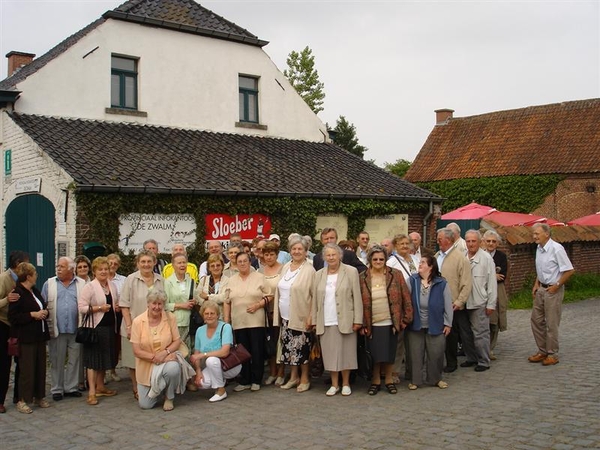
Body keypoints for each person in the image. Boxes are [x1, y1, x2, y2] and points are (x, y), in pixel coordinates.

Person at [359, 245, 413, 395]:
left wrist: (406, 319)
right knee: (375, 354)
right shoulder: (362, 277)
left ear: (386, 259)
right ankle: (375, 381)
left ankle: (389, 380)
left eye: (381, 259)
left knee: (389, 354)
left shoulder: (395, 275)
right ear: (370, 259)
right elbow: (357, 301)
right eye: (375, 259)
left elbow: (406, 297)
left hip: (391, 321)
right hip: (372, 322)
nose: (378, 261)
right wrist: (362, 323)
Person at [312, 243, 362, 396]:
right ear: (324, 257)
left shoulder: (351, 271)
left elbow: (357, 296)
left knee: (347, 352)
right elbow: (314, 299)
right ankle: (334, 384)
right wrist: (314, 320)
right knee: (330, 353)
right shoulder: (319, 274)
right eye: (328, 255)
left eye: (334, 254)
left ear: (340, 255)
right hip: (326, 318)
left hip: (346, 318)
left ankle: (346, 383)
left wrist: (358, 320)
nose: (331, 257)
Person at [131, 290, 193, 411]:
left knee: (173, 368)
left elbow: (177, 341)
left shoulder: (170, 318)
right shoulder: (138, 322)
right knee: (145, 405)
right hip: (146, 365)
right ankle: (161, 387)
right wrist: (156, 358)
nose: (157, 307)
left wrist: (165, 353)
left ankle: (169, 396)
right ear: (148, 304)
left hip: (167, 361)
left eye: (160, 304)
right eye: (154, 303)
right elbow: (137, 351)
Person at [119, 249, 164, 400]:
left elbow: (164, 303)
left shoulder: (160, 279)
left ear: (154, 263)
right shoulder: (130, 280)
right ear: (137, 263)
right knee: (133, 360)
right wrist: (129, 325)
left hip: (155, 327)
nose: (146, 264)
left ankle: (151, 385)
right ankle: (136, 387)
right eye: (143, 262)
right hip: (134, 326)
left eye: (149, 261)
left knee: (151, 357)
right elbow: (124, 304)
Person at [274, 236, 315, 393]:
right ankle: (293, 377)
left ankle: (304, 378)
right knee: (289, 349)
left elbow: (314, 296)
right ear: (290, 251)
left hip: (301, 315)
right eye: (294, 249)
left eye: (300, 249)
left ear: (306, 252)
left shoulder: (309, 270)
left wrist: (311, 316)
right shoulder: (285, 267)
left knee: (302, 348)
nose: (296, 251)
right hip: (285, 316)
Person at [529, 223, 574, 366]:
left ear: (547, 234)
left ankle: (552, 353)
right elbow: (540, 268)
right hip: (541, 288)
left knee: (552, 323)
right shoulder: (539, 248)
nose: (534, 236)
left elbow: (569, 270)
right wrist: (536, 283)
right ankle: (542, 350)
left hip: (553, 289)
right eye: (533, 233)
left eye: (537, 233)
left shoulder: (557, 249)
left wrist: (557, 286)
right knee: (536, 320)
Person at [42, 257, 86, 402]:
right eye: (58, 266)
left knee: (75, 359)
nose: (58, 269)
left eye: (62, 266)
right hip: (57, 328)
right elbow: (43, 303)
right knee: (57, 359)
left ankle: (71, 387)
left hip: (75, 328)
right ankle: (57, 388)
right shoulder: (49, 284)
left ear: (71, 269)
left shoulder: (82, 284)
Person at [224, 252, 270, 392]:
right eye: (240, 261)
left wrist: (258, 305)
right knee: (243, 352)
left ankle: (256, 380)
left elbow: (269, 296)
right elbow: (227, 301)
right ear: (236, 264)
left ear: (250, 262)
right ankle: (245, 380)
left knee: (256, 351)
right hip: (239, 322)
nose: (243, 263)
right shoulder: (231, 280)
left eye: (245, 261)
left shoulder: (260, 277)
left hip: (256, 321)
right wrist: (227, 321)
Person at [8, 263, 50, 414]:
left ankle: (39, 396)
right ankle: (22, 399)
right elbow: (13, 317)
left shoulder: (35, 291)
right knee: (27, 370)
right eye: (35, 273)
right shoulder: (18, 293)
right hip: (26, 337)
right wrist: (32, 315)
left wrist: (44, 312)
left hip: (39, 335)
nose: (36, 276)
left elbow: (43, 306)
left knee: (40, 367)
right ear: (28, 276)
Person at [406, 255, 453, 390]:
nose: (419, 264)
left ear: (431, 266)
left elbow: (447, 304)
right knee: (415, 353)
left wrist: (448, 323)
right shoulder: (412, 280)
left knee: (436, 353)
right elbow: (405, 299)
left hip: (436, 323)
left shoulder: (441, 283)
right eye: (419, 262)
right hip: (416, 324)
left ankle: (435, 379)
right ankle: (415, 380)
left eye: (423, 262)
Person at [78, 257, 119, 405]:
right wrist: (99, 308)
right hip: (95, 328)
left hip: (109, 327)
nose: (103, 272)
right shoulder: (89, 287)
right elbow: (82, 307)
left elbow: (115, 302)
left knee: (104, 359)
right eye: (100, 269)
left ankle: (101, 386)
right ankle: (92, 392)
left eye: (106, 269)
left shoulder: (112, 285)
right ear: (94, 271)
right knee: (93, 361)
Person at [436, 227, 474, 373]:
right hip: (437, 302)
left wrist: (459, 302)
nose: (438, 240)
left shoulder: (460, 258)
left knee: (451, 335)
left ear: (449, 240)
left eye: (440, 238)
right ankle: (439, 360)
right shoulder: (438, 255)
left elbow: (466, 282)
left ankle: (452, 363)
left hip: (452, 304)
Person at [191, 300, 242, 402]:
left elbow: (224, 352)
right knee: (202, 383)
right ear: (202, 315)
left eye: (212, 313)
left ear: (218, 315)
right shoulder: (200, 331)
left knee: (211, 360)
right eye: (206, 313)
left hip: (230, 365)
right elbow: (196, 354)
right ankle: (219, 380)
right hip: (214, 366)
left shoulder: (225, 327)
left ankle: (221, 391)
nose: (209, 316)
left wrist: (204, 355)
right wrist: (198, 371)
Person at [386, 233, 419, 383]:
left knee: (413, 338)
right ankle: (394, 372)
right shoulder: (392, 262)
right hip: (400, 303)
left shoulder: (416, 260)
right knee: (398, 340)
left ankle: (413, 369)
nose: (405, 246)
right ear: (395, 246)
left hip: (416, 302)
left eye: (407, 243)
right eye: (401, 244)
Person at [0, 250, 29, 413]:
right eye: (26, 262)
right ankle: (0, 400)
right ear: (18, 264)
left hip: (18, 325)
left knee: (21, 362)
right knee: (4, 364)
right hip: (3, 324)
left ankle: (19, 396)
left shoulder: (24, 279)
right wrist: (7, 299)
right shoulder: (4, 278)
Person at [464, 230, 497, 372]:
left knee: (480, 333)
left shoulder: (486, 258)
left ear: (479, 242)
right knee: (466, 334)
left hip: (479, 301)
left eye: (473, 241)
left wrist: (491, 303)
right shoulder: (462, 257)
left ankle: (484, 360)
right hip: (464, 302)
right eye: (468, 241)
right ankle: (471, 358)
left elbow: (492, 283)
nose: (471, 244)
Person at [258, 241, 284, 385]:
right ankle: (272, 372)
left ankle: (281, 373)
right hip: (264, 312)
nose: (268, 257)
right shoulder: (259, 271)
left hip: (279, 311)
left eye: (271, 254)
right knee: (269, 343)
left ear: (276, 254)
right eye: (266, 254)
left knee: (280, 341)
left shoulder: (283, 269)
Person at [483, 230, 508, 359]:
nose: (491, 243)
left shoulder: (501, 257)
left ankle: (490, 348)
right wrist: (493, 275)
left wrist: (489, 276)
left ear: (497, 243)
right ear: (484, 242)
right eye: (488, 241)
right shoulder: (480, 255)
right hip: (482, 290)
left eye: (493, 241)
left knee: (495, 319)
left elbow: (502, 276)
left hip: (498, 290)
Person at [164, 252, 196, 348]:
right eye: (179, 263)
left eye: (184, 262)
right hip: (175, 323)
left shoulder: (192, 280)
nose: (182, 265)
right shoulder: (168, 282)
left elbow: (196, 298)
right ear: (173, 265)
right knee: (179, 351)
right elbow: (164, 305)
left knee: (190, 351)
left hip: (191, 322)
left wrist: (195, 301)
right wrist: (181, 305)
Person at [106, 253, 126, 383]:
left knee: (115, 344)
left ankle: (112, 370)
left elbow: (125, 295)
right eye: (110, 263)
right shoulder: (100, 278)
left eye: (115, 264)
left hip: (119, 314)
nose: (112, 266)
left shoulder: (123, 280)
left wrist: (121, 304)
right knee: (104, 343)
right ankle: (102, 372)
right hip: (104, 314)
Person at [196, 254, 229, 319]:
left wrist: (208, 297)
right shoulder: (204, 280)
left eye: (218, 265)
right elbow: (197, 296)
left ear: (222, 266)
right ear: (209, 268)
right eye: (212, 266)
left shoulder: (228, 280)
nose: (215, 268)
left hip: (221, 317)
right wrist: (206, 303)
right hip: (206, 317)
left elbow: (224, 297)